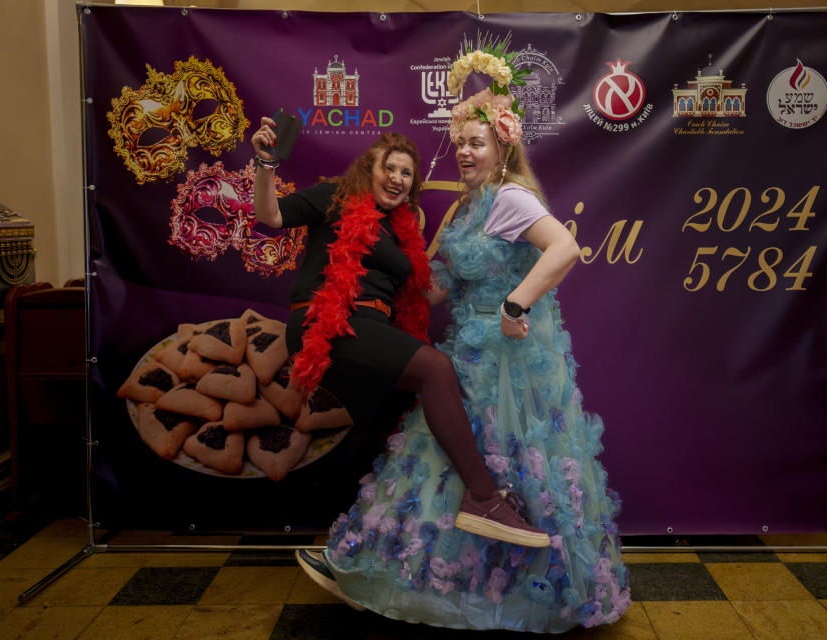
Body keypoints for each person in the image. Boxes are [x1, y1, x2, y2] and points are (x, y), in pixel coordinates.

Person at [308, 38, 631, 632]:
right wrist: (364, 290)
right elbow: (434, 291)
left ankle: (524, 594)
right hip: (465, 355)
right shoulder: (465, 209)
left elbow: (565, 249)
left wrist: (515, 301)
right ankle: (433, 582)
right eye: (458, 143)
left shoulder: (510, 197)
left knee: (518, 463)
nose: (463, 153)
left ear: (502, 147)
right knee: (446, 457)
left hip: (509, 360)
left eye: (475, 143)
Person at [249, 127, 551, 581]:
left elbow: (427, 290)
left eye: (406, 173)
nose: (396, 178)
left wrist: (491, 278)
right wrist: (267, 165)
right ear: (367, 169)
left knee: (394, 438)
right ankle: (484, 497)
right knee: (435, 368)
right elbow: (270, 214)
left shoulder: (404, 229)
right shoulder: (333, 198)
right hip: (327, 323)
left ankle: (355, 558)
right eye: (387, 168)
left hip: (374, 330)